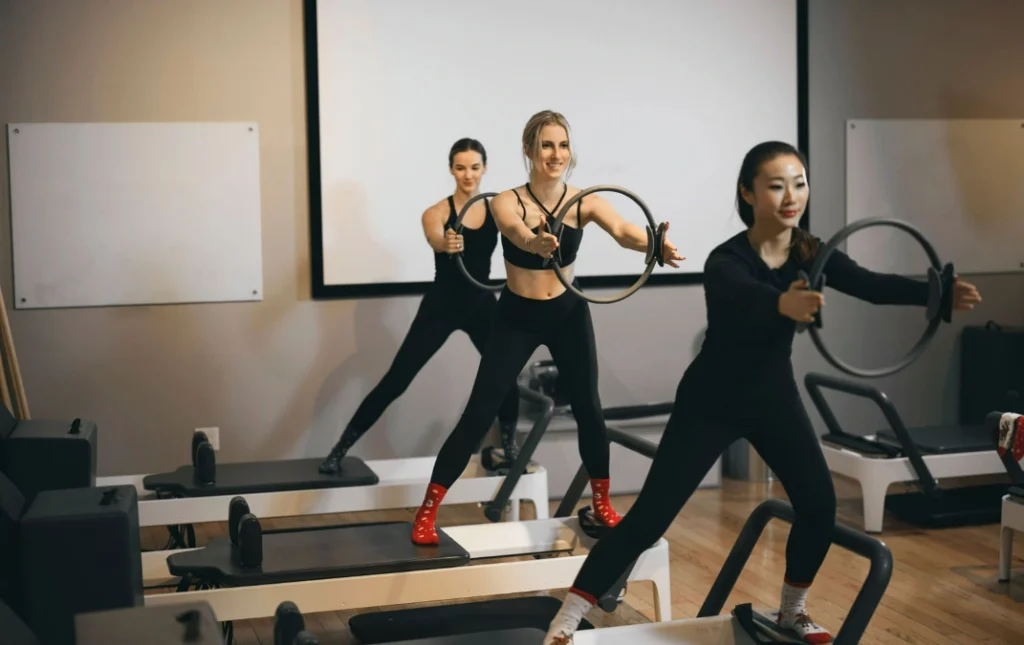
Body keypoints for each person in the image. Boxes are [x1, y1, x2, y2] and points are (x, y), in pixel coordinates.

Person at [541, 140, 983, 645]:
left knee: (817, 505)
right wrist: (783, 305)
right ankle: (568, 617)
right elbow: (748, 299)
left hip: (773, 402)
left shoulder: (811, 253)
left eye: (799, 182)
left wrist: (936, 293)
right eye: (776, 185)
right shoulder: (725, 261)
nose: (791, 195)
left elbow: (871, 284)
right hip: (710, 405)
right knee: (648, 520)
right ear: (748, 194)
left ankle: (793, 610)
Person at [409, 110, 685, 545]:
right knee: (479, 412)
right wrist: (536, 242)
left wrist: (654, 244)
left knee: (589, 409)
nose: (555, 154)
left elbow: (623, 230)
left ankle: (602, 503)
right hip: (517, 315)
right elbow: (517, 233)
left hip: (568, 314)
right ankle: (427, 513)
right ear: (529, 151)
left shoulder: (585, 200)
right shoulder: (505, 200)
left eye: (562, 145)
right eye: (546, 146)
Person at [318, 138, 523, 475]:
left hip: (481, 304)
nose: (468, 175)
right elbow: (435, 237)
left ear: (484, 168)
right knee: (397, 379)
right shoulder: (437, 212)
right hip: (441, 306)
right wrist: (447, 242)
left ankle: (511, 448)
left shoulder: (496, 209)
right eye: (460, 168)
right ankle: (338, 451)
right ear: (450, 170)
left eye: (474, 167)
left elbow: (518, 235)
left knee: (504, 373)